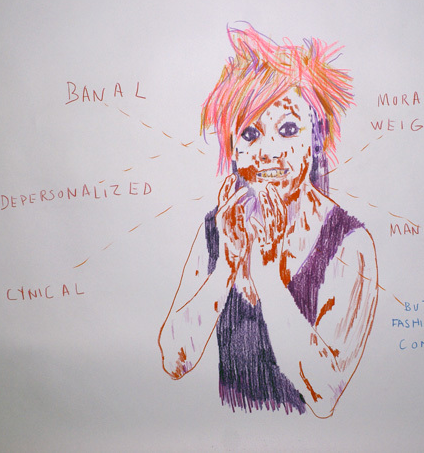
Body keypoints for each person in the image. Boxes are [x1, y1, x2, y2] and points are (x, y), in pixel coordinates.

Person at [158, 24, 378, 418]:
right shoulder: (217, 228)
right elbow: (174, 361)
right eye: (250, 134)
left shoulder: (348, 241)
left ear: (315, 140)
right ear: (233, 148)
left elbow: (325, 396)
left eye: (288, 130)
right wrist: (227, 265)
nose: (268, 152)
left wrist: (264, 269)